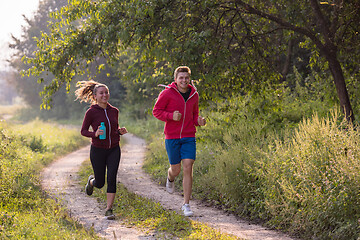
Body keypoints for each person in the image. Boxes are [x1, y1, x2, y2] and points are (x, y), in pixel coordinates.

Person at [152, 66, 206, 217]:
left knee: (188, 166)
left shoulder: (194, 94)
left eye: (186, 78)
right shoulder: (167, 93)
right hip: (172, 136)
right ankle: (170, 177)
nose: (183, 80)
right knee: (175, 169)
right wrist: (170, 116)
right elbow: (156, 111)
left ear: (189, 79)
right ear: (175, 79)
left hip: (189, 136)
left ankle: (186, 204)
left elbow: (194, 115)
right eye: (180, 78)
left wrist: (199, 121)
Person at [75, 80, 128, 220]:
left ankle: (109, 209)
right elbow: (83, 131)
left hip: (114, 149)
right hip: (98, 150)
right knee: (100, 183)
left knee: (112, 178)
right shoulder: (91, 112)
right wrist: (95, 134)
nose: (105, 95)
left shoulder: (114, 111)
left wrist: (120, 131)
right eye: (101, 93)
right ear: (95, 96)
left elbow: (114, 130)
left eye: (106, 92)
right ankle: (91, 182)